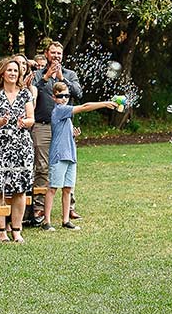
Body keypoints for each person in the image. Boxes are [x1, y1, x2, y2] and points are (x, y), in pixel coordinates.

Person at [42, 81, 118, 230]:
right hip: (59, 156)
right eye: (60, 96)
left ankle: (65, 220)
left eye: (66, 96)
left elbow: (63, 135)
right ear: (54, 97)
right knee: (53, 188)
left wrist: (73, 136)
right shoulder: (59, 110)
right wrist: (104, 103)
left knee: (68, 189)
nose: (64, 99)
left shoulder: (67, 116)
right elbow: (84, 107)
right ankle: (46, 222)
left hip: (70, 155)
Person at [30, 41, 81, 224]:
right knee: (42, 167)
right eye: (53, 53)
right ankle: (39, 208)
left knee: (67, 163)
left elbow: (78, 93)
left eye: (59, 53)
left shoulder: (69, 74)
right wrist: (46, 77)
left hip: (63, 128)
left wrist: (62, 79)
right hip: (42, 125)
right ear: (47, 54)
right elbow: (30, 91)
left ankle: (70, 208)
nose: (56, 56)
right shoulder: (38, 74)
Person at [0, 57, 35, 243]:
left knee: (20, 189)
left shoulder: (25, 94)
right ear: (2, 73)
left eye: (16, 71)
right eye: (9, 70)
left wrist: (25, 122)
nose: (13, 73)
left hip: (21, 145)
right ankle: (1, 230)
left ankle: (16, 229)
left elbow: (32, 118)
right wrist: (2, 122)